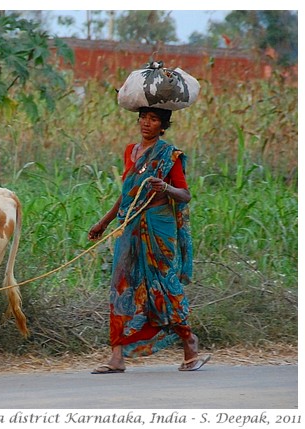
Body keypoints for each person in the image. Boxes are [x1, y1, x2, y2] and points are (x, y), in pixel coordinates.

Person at [87, 106, 211, 373]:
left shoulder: (170, 155)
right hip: (129, 226)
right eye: (143, 117)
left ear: (162, 126)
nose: (146, 122)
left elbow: (185, 195)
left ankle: (189, 341)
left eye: (153, 119)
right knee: (121, 284)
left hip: (158, 227)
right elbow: (127, 193)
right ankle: (117, 356)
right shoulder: (130, 151)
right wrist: (104, 221)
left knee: (162, 287)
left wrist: (165, 187)